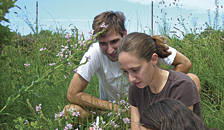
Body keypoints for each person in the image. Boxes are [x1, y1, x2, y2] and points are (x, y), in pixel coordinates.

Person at [64, 11, 201, 121]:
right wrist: (115, 108)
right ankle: (100, 126)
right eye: (103, 43)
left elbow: (184, 63)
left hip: (148, 106)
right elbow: (72, 94)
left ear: (125, 34)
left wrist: (161, 93)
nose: (110, 50)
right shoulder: (95, 52)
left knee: (192, 80)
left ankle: (175, 123)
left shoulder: (137, 45)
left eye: (114, 42)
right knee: (70, 111)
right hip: (112, 112)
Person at [108, 32, 201, 130]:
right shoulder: (135, 90)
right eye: (125, 72)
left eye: (135, 70)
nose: (131, 79)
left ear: (153, 59)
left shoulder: (181, 86)